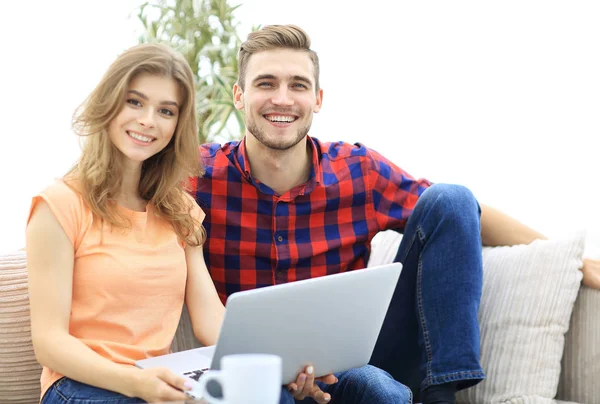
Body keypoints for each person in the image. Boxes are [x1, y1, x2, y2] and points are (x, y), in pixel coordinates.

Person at [188, 24, 600, 404]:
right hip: (255, 372)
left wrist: (573, 262)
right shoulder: (198, 176)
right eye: (266, 83)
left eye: (297, 85)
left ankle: (442, 393)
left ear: (317, 98)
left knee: (452, 198)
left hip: (354, 360)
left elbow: (459, 215)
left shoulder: (357, 170)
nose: (282, 98)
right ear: (239, 95)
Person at [25, 43, 227, 403]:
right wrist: (135, 383)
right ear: (109, 103)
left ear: (178, 125)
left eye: (166, 111)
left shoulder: (181, 211)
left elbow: (210, 320)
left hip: (156, 383)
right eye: (135, 102)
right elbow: (49, 343)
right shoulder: (58, 205)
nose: (148, 120)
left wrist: (277, 364)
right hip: (78, 387)